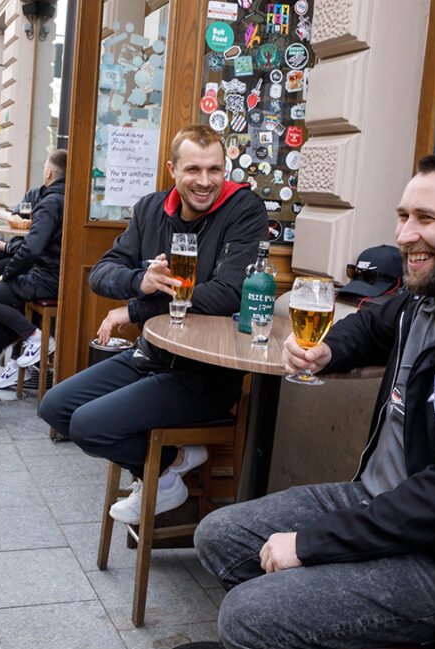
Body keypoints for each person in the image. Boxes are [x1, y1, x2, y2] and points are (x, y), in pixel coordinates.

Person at [169, 149, 435, 649]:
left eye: (427, 218)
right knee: (220, 536)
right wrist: (328, 350)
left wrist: (311, 544)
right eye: (403, 216)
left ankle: (265, 638)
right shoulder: (433, 293)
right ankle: (283, 645)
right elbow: (372, 325)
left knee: (248, 615)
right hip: (380, 503)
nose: (405, 234)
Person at [39, 125, 269, 522]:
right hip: (150, 358)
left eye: (215, 169)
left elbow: (229, 293)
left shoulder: (243, 209)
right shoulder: (150, 208)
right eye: (193, 169)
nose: (205, 181)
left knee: (89, 427)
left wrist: (136, 309)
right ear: (172, 169)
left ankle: (160, 477)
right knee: (55, 407)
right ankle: (171, 464)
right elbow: (103, 272)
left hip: (204, 374)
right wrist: (138, 281)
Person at [0, 150, 67, 380]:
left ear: (48, 172)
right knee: (14, 295)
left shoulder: (49, 203)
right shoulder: (72, 199)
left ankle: (37, 339)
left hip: (48, 279)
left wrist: (6, 275)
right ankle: (19, 365)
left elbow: (32, 249)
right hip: (62, 276)